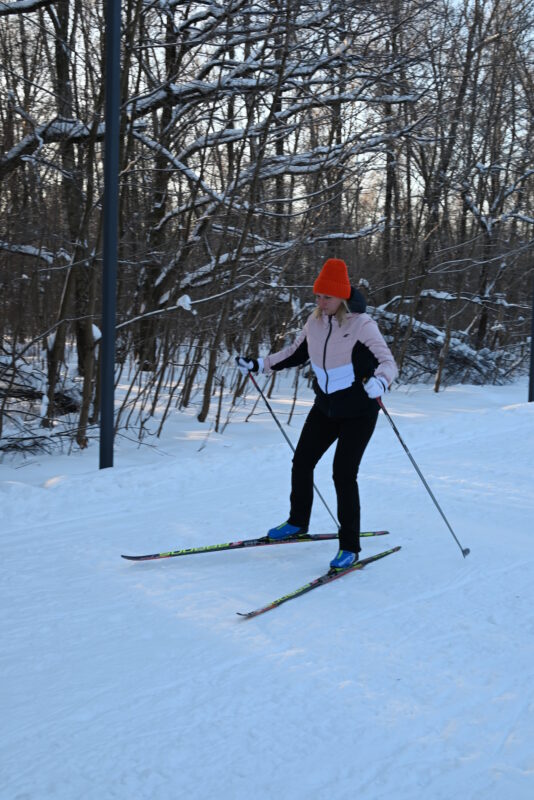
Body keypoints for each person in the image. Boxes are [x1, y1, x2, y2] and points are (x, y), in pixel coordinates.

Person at [236, 258, 398, 571]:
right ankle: (298, 522)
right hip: (325, 407)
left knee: (343, 474)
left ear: (342, 297)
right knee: (302, 462)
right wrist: (260, 364)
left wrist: (380, 381)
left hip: (359, 412)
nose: (321, 302)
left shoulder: (362, 324)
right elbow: (294, 354)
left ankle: (349, 547)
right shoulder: (314, 323)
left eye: (327, 297)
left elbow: (388, 361)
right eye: (318, 296)